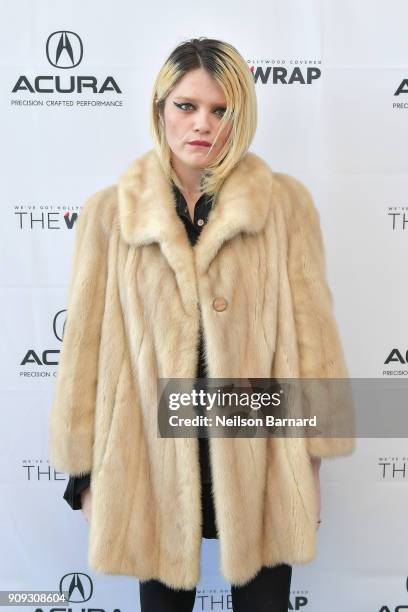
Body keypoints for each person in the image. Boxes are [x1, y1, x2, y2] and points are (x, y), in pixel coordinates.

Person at [49, 37, 355, 612]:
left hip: (261, 450)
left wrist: (310, 462)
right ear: (160, 107)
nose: (202, 125)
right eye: (186, 106)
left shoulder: (283, 206)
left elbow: (316, 344)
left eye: (220, 110)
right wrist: (84, 475)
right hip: (151, 459)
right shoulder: (110, 214)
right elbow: (83, 355)